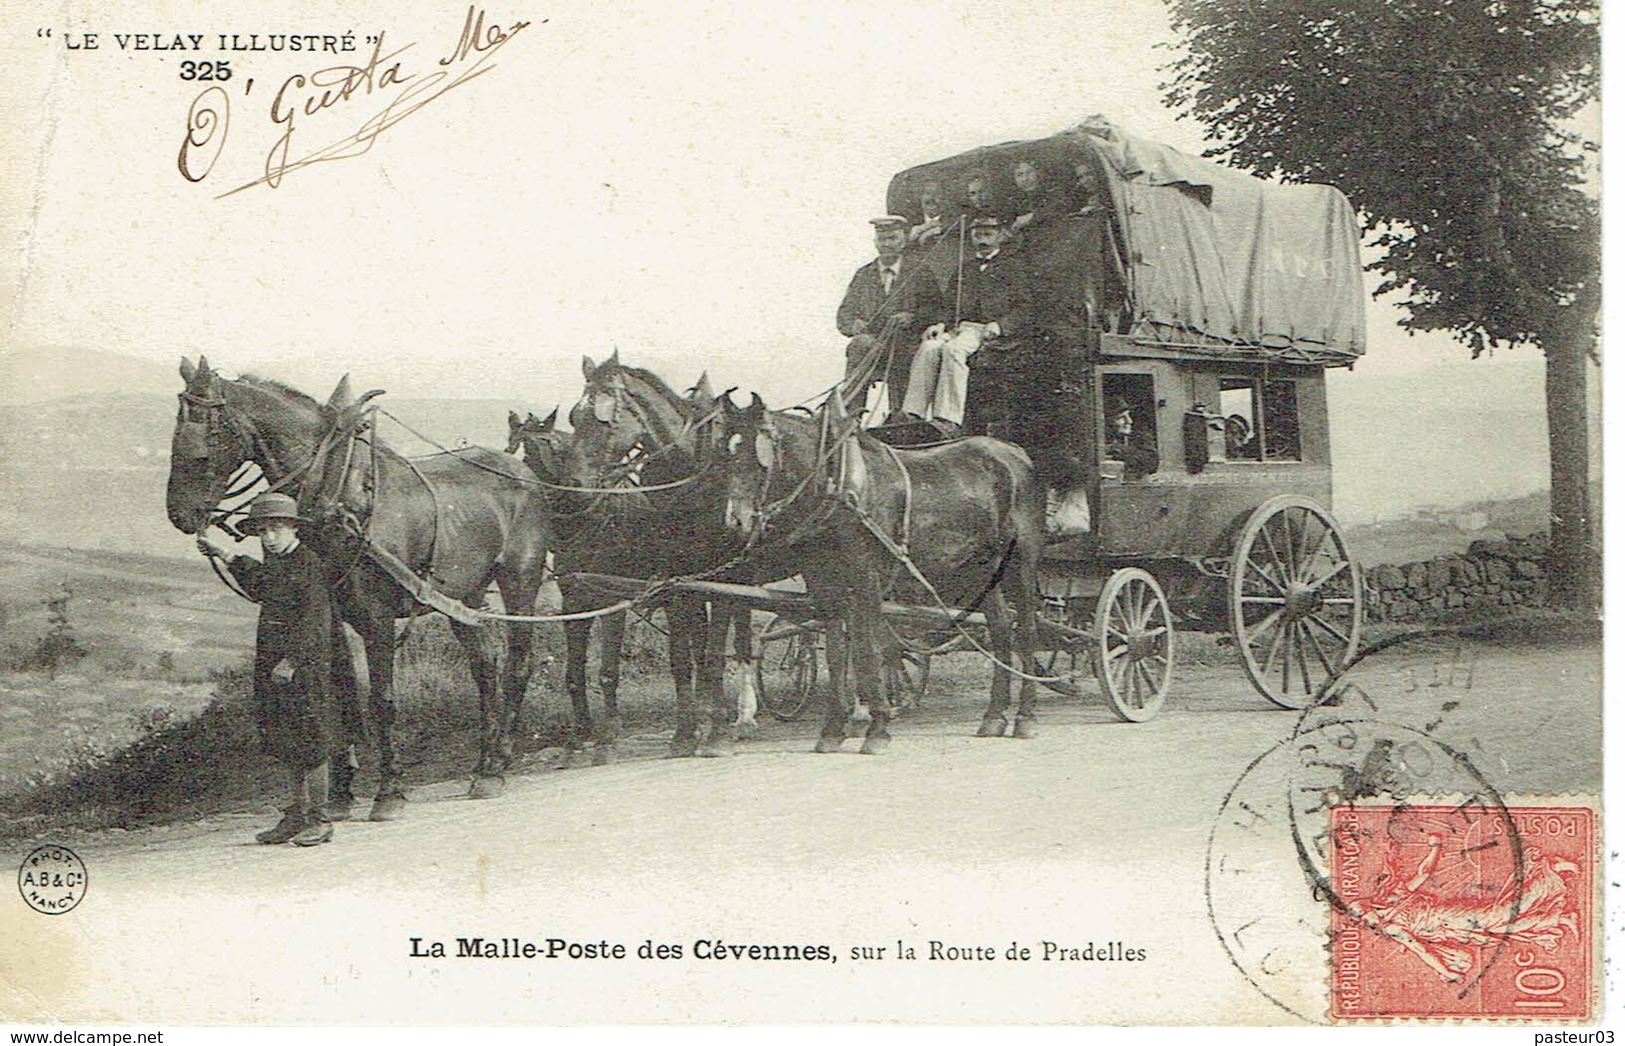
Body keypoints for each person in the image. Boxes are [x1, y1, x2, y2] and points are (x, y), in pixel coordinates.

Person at [198, 492, 345, 847]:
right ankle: (296, 815)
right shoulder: (279, 563)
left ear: (294, 528)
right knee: (285, 739)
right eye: (262, 531)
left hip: (303, 666)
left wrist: (293, 661)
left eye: (276, 529)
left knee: (312, 740)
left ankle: (320, 819)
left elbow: (315, 621)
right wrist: (224, 553)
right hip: (275, 664)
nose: (268, 537)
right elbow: (261, 584)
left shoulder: (308, 563)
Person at [901, 215, 1038, 436]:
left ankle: (947, 418)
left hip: (985, 330)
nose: (982, 240)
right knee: (929, 347)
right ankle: (911, 413)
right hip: (959, 328)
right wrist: (940, 324)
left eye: (988, 234)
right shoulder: (965, 268)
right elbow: (948, 304)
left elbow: (1026, 307)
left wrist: (1000, 325)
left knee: (954, 350)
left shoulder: (1013, 267)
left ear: (1000, 236)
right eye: (978, 235)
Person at [838, 216, 945, 417]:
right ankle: (850, 418)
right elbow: (844, 314)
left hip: (907, 346)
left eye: (893, 239)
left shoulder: (920, 272)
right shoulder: (864, 275)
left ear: (903, 241)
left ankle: (902, 420)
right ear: (875, 242)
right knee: (859, 344)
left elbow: (938, 309)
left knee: (910, 367)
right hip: (872, 348)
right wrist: (854, 324)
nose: (887, 244)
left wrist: (913, 318)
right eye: (882, 239)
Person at [1103, 397, 1160, 477]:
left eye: (1128, 415)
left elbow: (1151, 462)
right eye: (1121, 418)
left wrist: (1117, 449)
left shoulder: (1138, 436)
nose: (1129, 421)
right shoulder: (1099, 439)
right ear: (1107, 421)